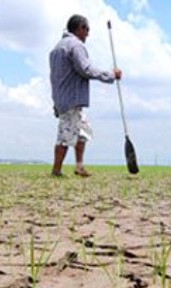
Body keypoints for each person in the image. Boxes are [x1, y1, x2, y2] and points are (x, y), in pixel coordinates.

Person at [49, 14, 122, 177]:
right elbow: (86, 69)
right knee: (65, 134)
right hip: (71, 99)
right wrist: (110, 75)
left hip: (63, 97)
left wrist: (55, 100)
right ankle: (56, 170)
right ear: (80, 28)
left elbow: (54, 78)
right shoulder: (75, 45)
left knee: (83, 131)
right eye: (87, 29)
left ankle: (79, 165)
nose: (88, 34)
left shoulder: (56, 48)